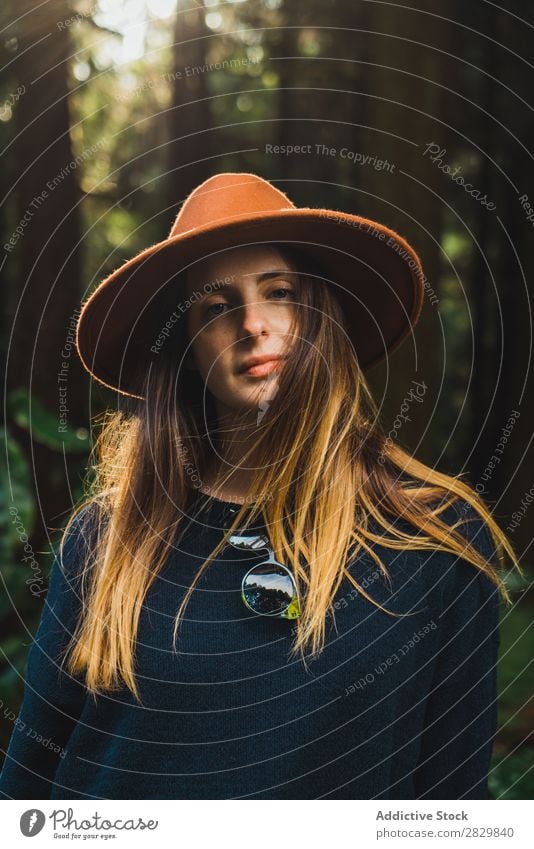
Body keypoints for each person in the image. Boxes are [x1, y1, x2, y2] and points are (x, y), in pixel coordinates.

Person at [0, 172, 522, 801]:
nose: (252, 324)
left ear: (321, 314)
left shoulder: (436, 545)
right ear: (188, 349)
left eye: (279, 292)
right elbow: (27, 785)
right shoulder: (106, 543)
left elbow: (453, 805)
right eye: (216, 308)